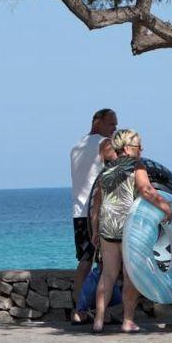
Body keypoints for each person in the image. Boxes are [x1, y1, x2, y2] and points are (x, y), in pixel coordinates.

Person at [91, 129, 171, 334]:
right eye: (138, 146)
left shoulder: (106, 170)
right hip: (129, 226)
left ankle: (98, 320)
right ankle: (127, 321)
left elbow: (97, 202)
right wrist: (165, 206)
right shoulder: (137, 166)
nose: (141, 150)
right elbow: (146, 190)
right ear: (127, 148)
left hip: (107, 226)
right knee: (130, 275)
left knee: (107, 275)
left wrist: (95, 230)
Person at [69, 108, 117, 323]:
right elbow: (119, 165)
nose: (114, 129)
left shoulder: (77, 146)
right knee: (105, 263)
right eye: (111, 124)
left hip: (78, 211)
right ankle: (102, 312)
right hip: (96, 212)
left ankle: (78, 310)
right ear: (96, 122)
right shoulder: (104, 144)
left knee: (85, 261)